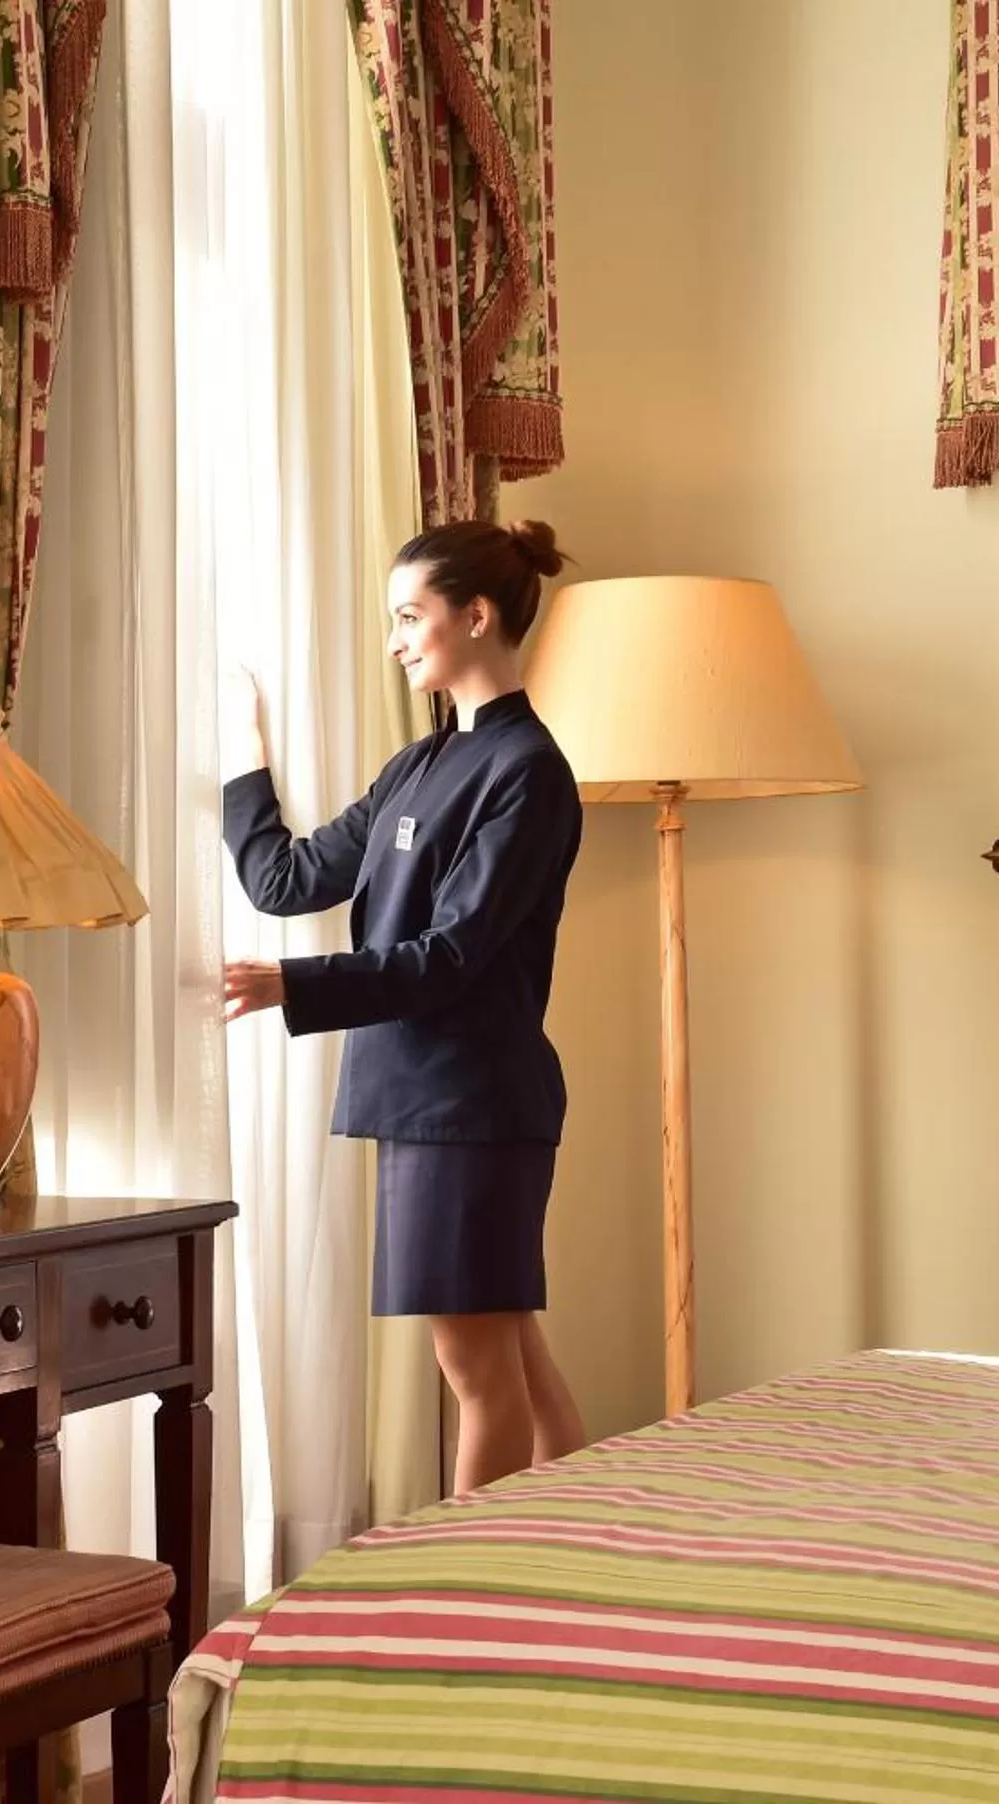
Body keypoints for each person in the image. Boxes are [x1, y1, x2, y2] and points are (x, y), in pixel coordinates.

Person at [220, 519, 587, 1493]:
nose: (395, 641)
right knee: (510, 1352)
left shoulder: (528, 772)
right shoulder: (416, 766)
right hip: (429, 1099)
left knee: (477, 1371)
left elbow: (451, 956)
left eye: (409, 617)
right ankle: (575, 1545)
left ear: (476, 616)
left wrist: (290, 983)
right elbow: (286, 879)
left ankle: (468, 1572)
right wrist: (240, 757)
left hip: (472, 1103)